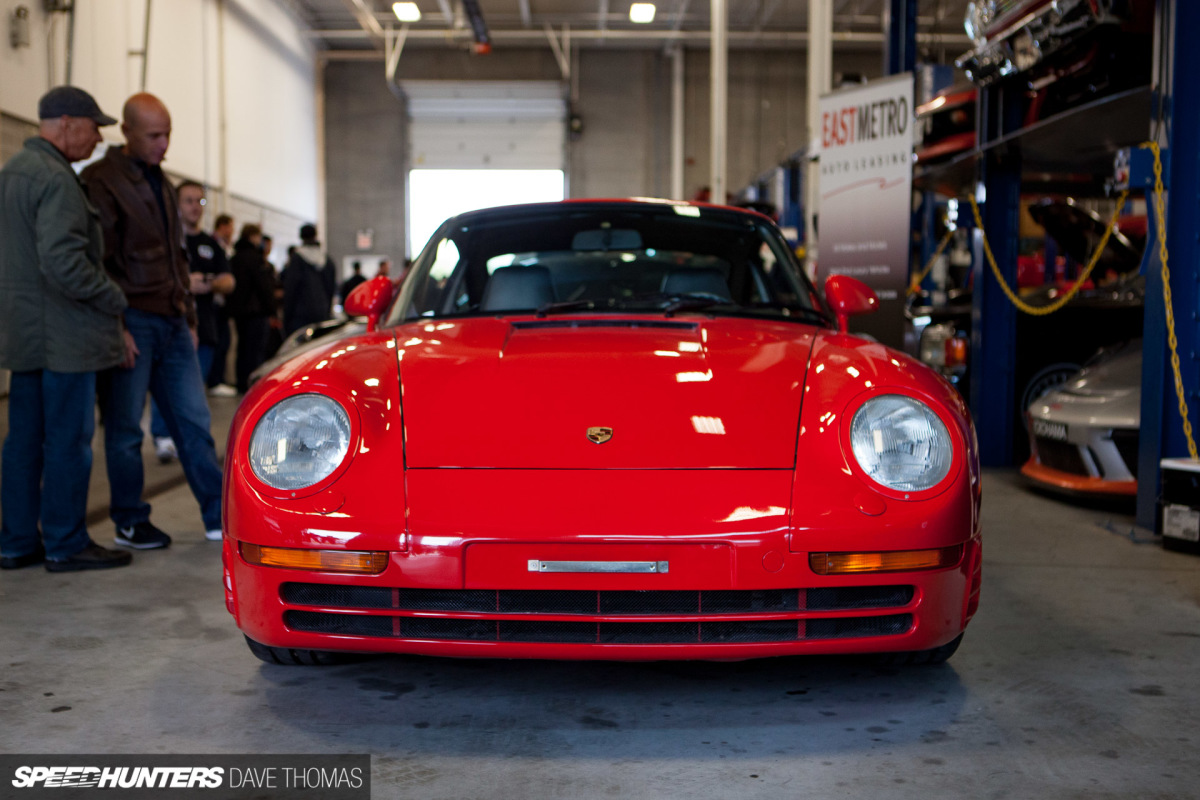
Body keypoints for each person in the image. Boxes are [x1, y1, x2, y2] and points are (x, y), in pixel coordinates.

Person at [82, 92, 224, 548]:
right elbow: (96, 261)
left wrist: (188, 314)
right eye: (154, 136)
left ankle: (218, 516)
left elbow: (177, 257)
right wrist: (116, 325)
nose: (163, 144)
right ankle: (128, 520)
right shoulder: (101, 181)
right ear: (126, 133)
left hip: (172, 323)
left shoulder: (162, 182)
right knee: (125, 429)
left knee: (194, 423)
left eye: (167, 135)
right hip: (133, 321)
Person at [0, 86, 133, 572]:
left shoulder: (13, 172)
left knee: (22, 442)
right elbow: (63, 263)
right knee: (68, 442)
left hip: (26, 335)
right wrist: (116, 298)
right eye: (93, 127)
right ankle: (65, 541)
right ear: (65, 124)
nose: (98, 138)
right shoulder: (56, 179)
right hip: (66, 339)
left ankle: (15, 541)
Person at [149, 180, 236, 462]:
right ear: (176, 204)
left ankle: (191, 442)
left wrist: (207, 283)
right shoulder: (164, 240)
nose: (195, 207)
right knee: (165, 385)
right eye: (188, 201)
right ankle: (163, 437)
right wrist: (185, 282)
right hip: (171, 327)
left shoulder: (210, 244)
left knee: (194, 393)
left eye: (199, 202)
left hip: (205, 329)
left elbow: (228, 281)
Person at [227, 224, 277, 393]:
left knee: (242, 349)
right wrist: (271, 309)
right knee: (255, 351)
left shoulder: (235, 257)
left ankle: (242, 383)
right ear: (253, 236)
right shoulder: (256, 258)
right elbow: (263, 287)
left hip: (239, 312)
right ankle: (253, 386)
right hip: (256, 312)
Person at [280, 223, 336, 335]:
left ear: (301, 237)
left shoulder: (297, 259)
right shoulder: (326, 260)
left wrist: (287, 317)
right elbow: (331, 288)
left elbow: (291, 289)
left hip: (300, 316)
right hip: (322, 313)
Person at [206, 212, 237, 396]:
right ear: (223, 226)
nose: (232, 231)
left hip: (222, 304)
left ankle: (217, 379)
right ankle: (214, 380)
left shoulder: (224, 247)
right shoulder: (213, 246)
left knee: (223, 341)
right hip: (212, 305)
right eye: (231, 227)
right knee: (217, 341)